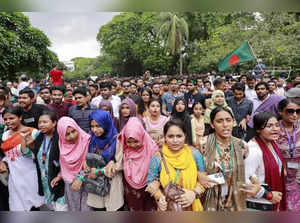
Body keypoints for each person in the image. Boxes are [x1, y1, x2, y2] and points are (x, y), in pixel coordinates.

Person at [201, 106, 255, 211]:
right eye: (219, 121)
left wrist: (256, 183)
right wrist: (199, 176)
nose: (225, 125)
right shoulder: (203, 144)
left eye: (228, 120)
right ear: (212, 124)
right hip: (210, 197)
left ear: (233, 122)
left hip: (234, 199)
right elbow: (197, 169)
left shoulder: (242, 146)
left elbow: (248, 171)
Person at [146, 119, 205, 211]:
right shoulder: (158, 158)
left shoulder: (194, 154)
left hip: (192, 205)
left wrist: (194, 193)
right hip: (168, 206)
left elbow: (203, 180)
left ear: (185, 136)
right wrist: (159, 198)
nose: (175, 140)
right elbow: (150, 182)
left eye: (179, 136)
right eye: (170, 136)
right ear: (165, 137)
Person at [0, 106, 44, 211]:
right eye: (5, 119)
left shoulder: (33, 132)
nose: (8, 122)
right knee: (17, 204)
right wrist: (3, 163)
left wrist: (27, 143)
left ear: (20, 117)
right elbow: (8, 155)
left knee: (32, 204)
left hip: (30, 173)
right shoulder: (5, 135)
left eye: (11, 118)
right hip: (14, 175)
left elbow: (38, 154)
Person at [23, 110, 67, 211]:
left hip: (59, 180)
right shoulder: (39, 137)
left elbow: (66, 161)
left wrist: (60, 175)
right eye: (39, 122)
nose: (41, 125)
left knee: (62, 208)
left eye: (45, 122)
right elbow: (27, 154)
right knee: (51, 207)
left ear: (54, 123)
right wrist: (27, 143)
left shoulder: (61, 137)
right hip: (45, 180)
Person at [246, 112, 286, 211]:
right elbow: (245, 181)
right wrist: (268, 195)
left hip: (273, 200)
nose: (275, 129)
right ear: (258, 129)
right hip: (259, 204)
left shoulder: (273, 143)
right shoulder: (252, 149)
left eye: (277, 125)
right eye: (269, 126)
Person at [87, 110, 124, 211]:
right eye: (92, 126)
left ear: (106, 124)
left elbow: (120, 164)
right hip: (96, 185)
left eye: (99, 126)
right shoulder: (91, 139)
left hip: (112, 183)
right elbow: (88, 160)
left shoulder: (117, 139)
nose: (95, 130)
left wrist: (99, 171)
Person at [119, 117, 159, 211]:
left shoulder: (152, 148)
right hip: (131, 190)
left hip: (148, 188)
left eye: (136, 141)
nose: (132, 145)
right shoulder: (123, 148)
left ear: (142, 136)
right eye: (129, 142)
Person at [57, 117, 91, 211]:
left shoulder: (86, 140)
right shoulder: (62, 145)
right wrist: (60, 175)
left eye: (73, 131)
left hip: (87, 182)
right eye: (67, 134)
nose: (72, 136)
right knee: (74, 209)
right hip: (70, 184)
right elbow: (63, 165)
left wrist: (80, 177)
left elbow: (90, 164)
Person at [276, 99, 300, 211]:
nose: (295, 115)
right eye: (290, 111)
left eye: (298, 111)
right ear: (280, 111)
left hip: (298, 175)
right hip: (280, 173)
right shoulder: (274, 129)